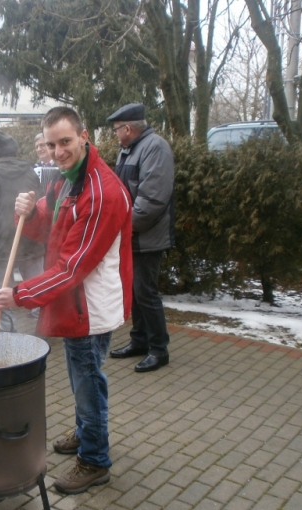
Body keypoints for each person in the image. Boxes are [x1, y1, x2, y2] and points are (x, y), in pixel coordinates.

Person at [0, 107, 132, 494]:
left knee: (88, 380)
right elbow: (50, 226)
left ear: (84, 137)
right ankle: (85, 431)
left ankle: (94, 459)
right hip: (72, 303)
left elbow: (73, 268)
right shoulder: (68, 181)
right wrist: (29, 211)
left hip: (89, 305)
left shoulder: (101, 192)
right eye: (51, 144)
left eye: (65, 142)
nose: (57, 151)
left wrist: (20, 295)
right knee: (79, 376)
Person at [106, 102, 175, 373]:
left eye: (115, 129)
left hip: (146, 236)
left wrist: (124, 227)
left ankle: (159, 349)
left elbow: (152, 199)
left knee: (146, 292)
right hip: (132, 235)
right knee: (135, 292)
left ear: (127, 128)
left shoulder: (155, 148)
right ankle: (140, 341)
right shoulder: (129, 150)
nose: (114, 134)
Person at [0, 131, 44, 331]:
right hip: (31, 240)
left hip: (1, 242)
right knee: (36, 286)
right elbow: (39, 204)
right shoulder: (30, 171)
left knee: (1, 287)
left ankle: (6, 328)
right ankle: (42, 326)